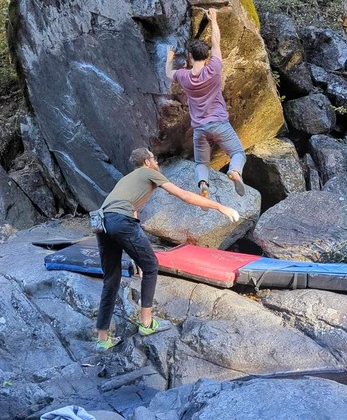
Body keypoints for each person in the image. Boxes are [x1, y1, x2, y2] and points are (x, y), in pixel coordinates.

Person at [95, 146, 239, 350]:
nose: (157, 162)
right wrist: (219, 207)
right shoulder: (150, 173)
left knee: (111, 280)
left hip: (101, 223)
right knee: (152, 266)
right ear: (146, 162)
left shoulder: (127, 180)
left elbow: (132, 213)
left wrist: (138, 256)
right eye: (154, 159)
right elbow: (183, 195)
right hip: (120, 220)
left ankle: (102, 339)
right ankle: (146, 324)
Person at [166, 7, 246, 199]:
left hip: (200, 128)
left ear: (190, 57)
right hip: (219, 123)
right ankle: (235, 172)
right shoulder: (214, 69)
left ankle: (203, 185)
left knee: (202, 163)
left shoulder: (184, 76)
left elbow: (168, 74)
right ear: (207, 56)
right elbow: (216, 42)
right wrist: (214, 20)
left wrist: (169, 59)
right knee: (237, 153)